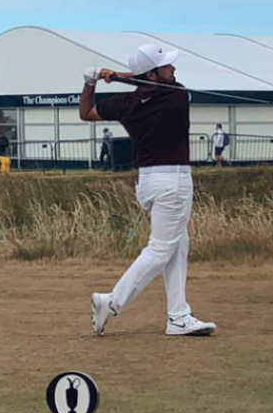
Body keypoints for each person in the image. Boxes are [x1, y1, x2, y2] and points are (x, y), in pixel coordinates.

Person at [80, 44, 216, 337]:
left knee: (178, 245)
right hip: (173, 183)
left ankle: (178, 317)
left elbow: (87, 112)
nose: (173, 69)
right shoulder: (176, 96)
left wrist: (91, 81)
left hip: (149, 183)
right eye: (166, 66)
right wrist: (117, 75)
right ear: (152, 75)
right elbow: (150, 81)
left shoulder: (126, 104)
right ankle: (112, 302)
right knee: (161, 248)